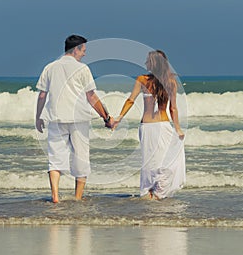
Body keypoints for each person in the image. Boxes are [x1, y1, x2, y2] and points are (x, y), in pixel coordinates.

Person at [35, 35, 113, 203]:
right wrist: (106, 117)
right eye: (83, 50)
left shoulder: (50, 67)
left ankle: (55, 196)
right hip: (79, 119)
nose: (84, 54)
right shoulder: (82, 69)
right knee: (81, 156)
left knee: (55, 157)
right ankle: (77, 197)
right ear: (76, 49)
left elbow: (42, 95)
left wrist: (38, 117)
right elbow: (91, 97)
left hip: (56, 118)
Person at [112, 50, 185, 199]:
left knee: (148, 162)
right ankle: (158, 193)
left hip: (147, 127)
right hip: (163, 126)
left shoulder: (142, 80)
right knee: (164, 161)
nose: (145, 63)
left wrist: (119, 117)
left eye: (148, 61)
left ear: (154, 64)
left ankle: (147, 193)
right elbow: (173, 108)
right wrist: (177, 128)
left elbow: (130, 100)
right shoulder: (171, 82)